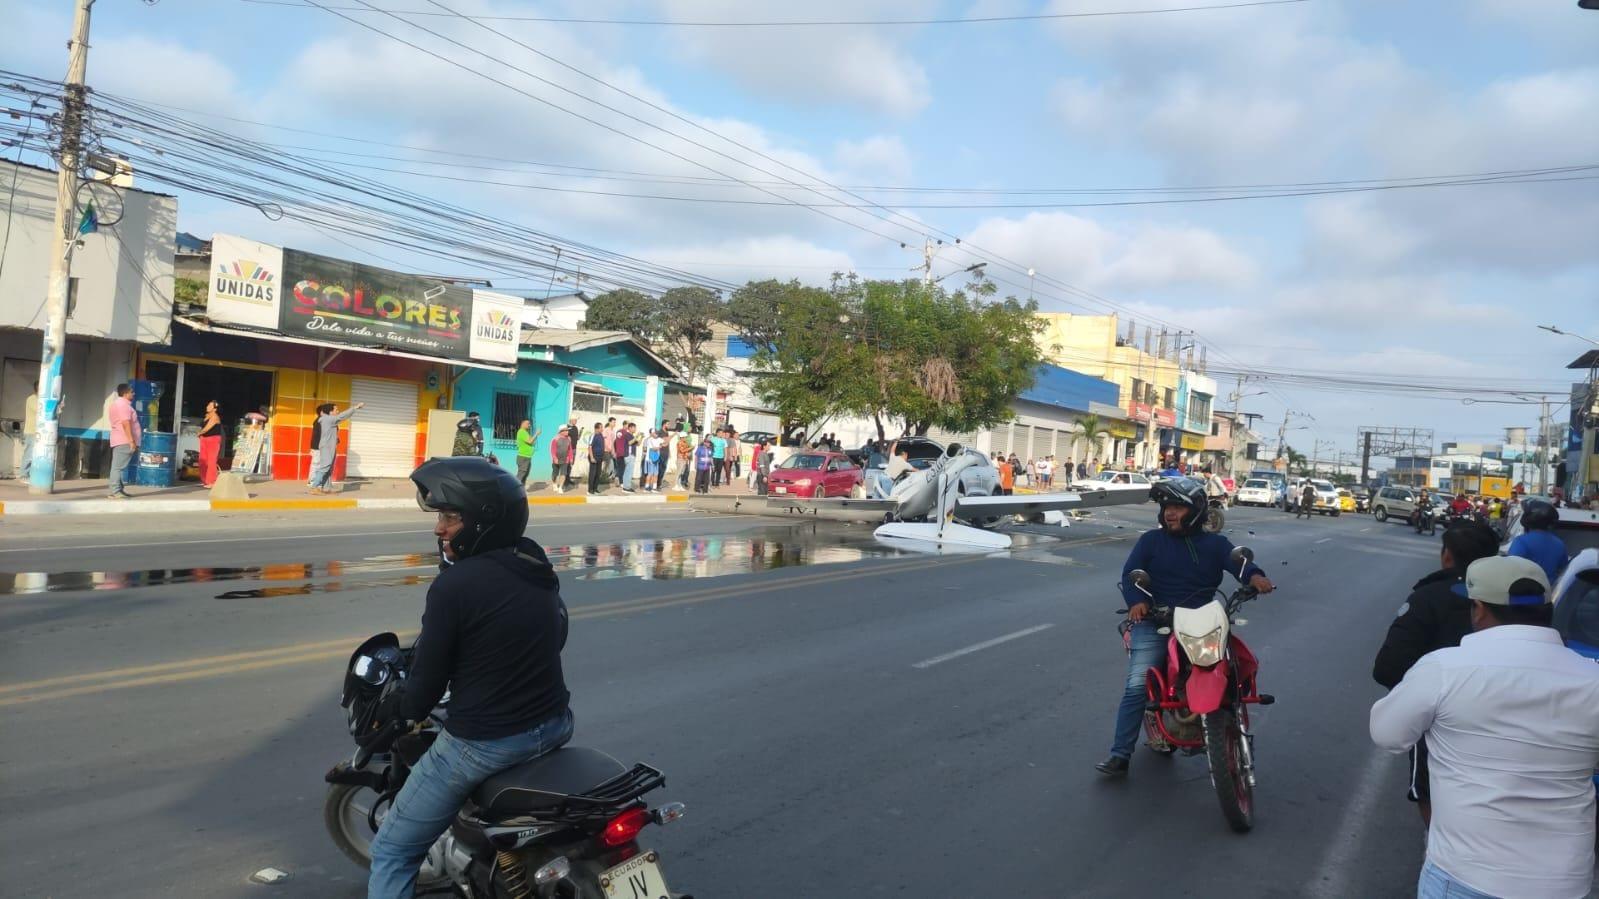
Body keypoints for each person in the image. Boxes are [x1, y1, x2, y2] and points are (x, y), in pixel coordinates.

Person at [367, 457, 572, 898]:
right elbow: (555, 632)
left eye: (449, 517)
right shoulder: (534, 563)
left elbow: (424, 690)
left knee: (392, 850)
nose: (440, 529)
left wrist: (400, 708)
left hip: (485, 743)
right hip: (555, 723)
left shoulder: (455, 586)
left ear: (482, 521)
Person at [1370, 556, 1599, 899]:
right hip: (1564, 881)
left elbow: (1388, 734)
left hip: (1467, 875)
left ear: (1478, 610)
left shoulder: (1444, 669)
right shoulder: (1592, 679)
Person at [1096, 478, 1274, 777]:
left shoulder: (1215, 544)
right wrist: (1136, 601)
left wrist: (1255, 577)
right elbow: (1131, 575)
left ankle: (1231, 722)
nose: (1170, 513)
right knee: (1138, 684)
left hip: (1204, 620)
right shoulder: (1151, 541)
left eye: (1177, 507)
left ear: (1196, 511)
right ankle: (1120, 754)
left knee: (1234, 665)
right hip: (1157, 620)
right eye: (1167, 507)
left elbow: (1240, 564)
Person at [1370, 520, 1503, 825]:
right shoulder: (1512, 600)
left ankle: (1437, 855)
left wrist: (1422, 694)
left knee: (1434, 801)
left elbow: (1388, 667)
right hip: (1510, 716)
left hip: (1440, 724)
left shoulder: (1428, 597)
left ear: (1446, 556)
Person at [1507, 497, 1569, 582]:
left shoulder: (1521, 541)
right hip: (1551, 592)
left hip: (1525, 592)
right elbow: (1564, 571)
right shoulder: (1559, 544)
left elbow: (1511, 569)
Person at [310, 402, 364, 494]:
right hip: (327, 447)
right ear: (330, 412)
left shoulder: (328, 419)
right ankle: (314, 487)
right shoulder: (328, 419)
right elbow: (342, 416)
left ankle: (326, 488)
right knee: (325, 467)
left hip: (330, 446)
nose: (338, 411)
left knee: (329, 468)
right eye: (336, 410)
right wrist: (355, 408)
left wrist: (336, 439)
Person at [106, 383, 140, 499]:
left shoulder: (119, 404)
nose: (133, 394)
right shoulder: (123, 406)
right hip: (124, 440)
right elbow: (126, 424)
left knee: (118, 466)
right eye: (132, 392)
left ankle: (118, 490)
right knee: (117, 467)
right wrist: (131, 441)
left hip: (120, 439)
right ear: (125, 394)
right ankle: (115, 491)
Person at [196, 400, 223, 488]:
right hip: (204, 439)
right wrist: (201, 435)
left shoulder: (215, 417)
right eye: (208, 404)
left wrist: (199, 433)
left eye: (210, 405)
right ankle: (205, 481)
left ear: (214, 409)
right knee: (202, 460)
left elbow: (206, 429)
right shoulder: (207, 416)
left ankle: (212, 482)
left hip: (213, 440)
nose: (207, 406)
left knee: (211, 461)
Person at [514, 420, 539, 487]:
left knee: (525, 474)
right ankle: (515, 489)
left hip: (527, 456)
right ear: (522, 424)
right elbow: (530, 441)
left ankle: (522, 489)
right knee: (521, 474)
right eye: (528, 423)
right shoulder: (522, 431)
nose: (529, 425)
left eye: (529, 424)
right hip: (523, 457)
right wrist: (536, 434)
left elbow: (531, 442)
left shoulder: (525, 432)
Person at [586, 422, 606, 495]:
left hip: (600, 457)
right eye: (601, 427)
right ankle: (590, 490)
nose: (602, 429)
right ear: (597, 428)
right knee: (593, 474)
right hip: (594, 457)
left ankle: (595, 489)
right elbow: (590, 447)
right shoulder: (593, 435)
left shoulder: (601, 435)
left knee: (598, 474)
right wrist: (591, 457)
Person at [549, 427, 571, 493]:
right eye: (566, 430)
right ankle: (554, 483)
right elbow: (552, 450)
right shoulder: (555, 439)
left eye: (567, 430)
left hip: (565, 459)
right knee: (555, 474)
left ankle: (560, 487)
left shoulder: (568, 439)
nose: (567, 431)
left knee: (563, 473)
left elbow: (570, 449)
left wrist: (571, 458)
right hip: (556, 459)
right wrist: (555, 458)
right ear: (561, 431)